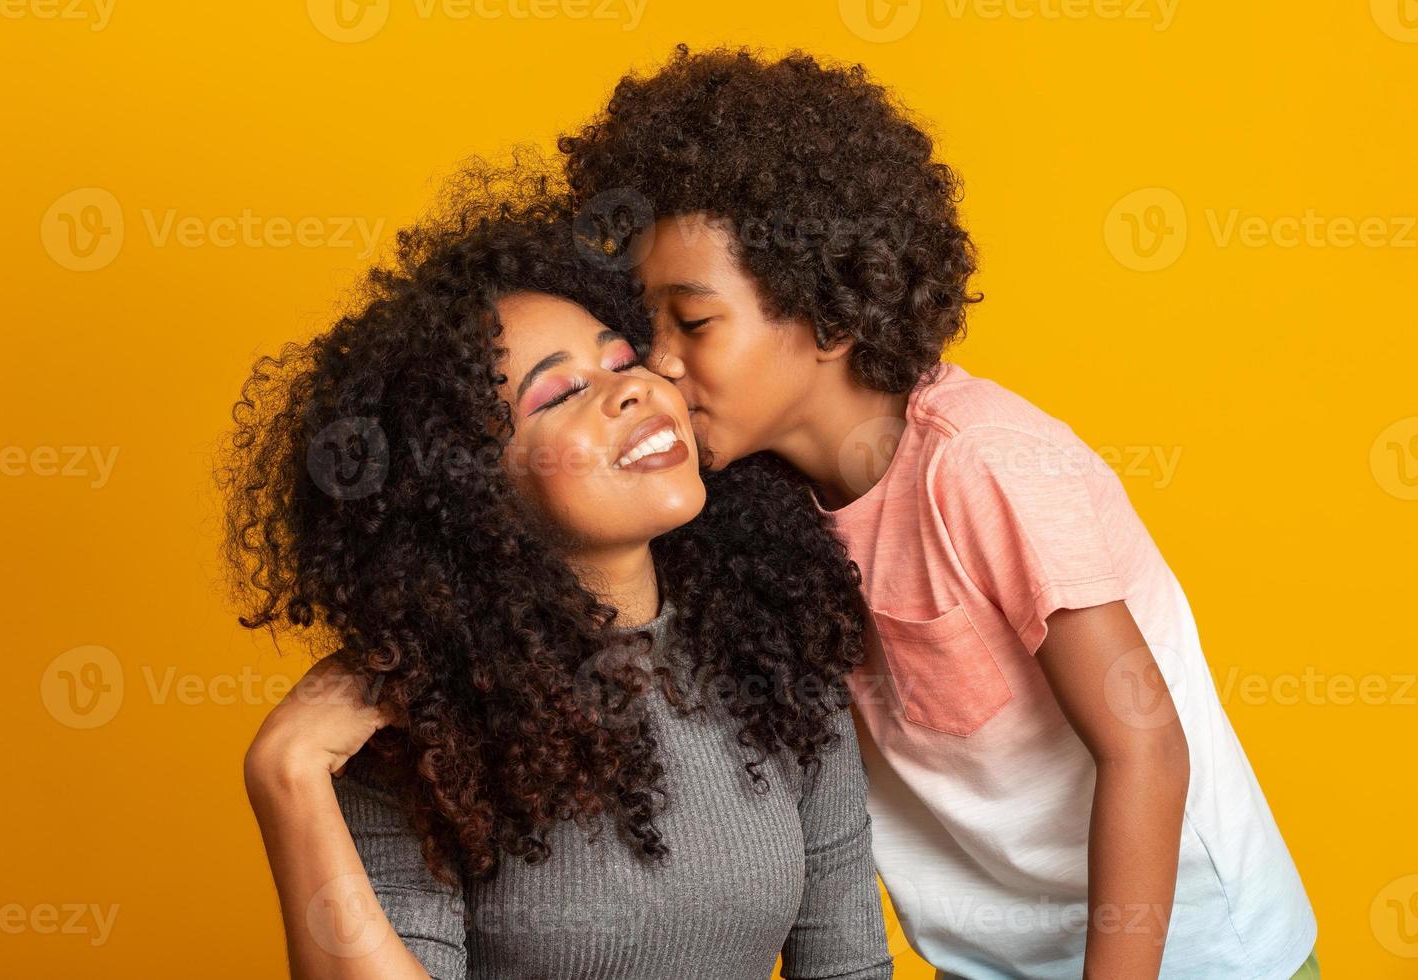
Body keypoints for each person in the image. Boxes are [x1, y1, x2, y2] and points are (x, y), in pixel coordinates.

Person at [561, 45, 1319, 980]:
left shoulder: (982, 464)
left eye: (695, 321)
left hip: (1188, 958)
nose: (658, 362)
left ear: (828, 316)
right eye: (649, 327)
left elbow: (1147, 745)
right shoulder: (745, 514)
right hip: (990, 962)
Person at [218, 169, 894, 980]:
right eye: (562, 393)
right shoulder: (419, 723)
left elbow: (849, 968)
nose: (633, 391)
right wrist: (286, 777)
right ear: (470, 493)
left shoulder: (777, 658)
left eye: (622, 359)